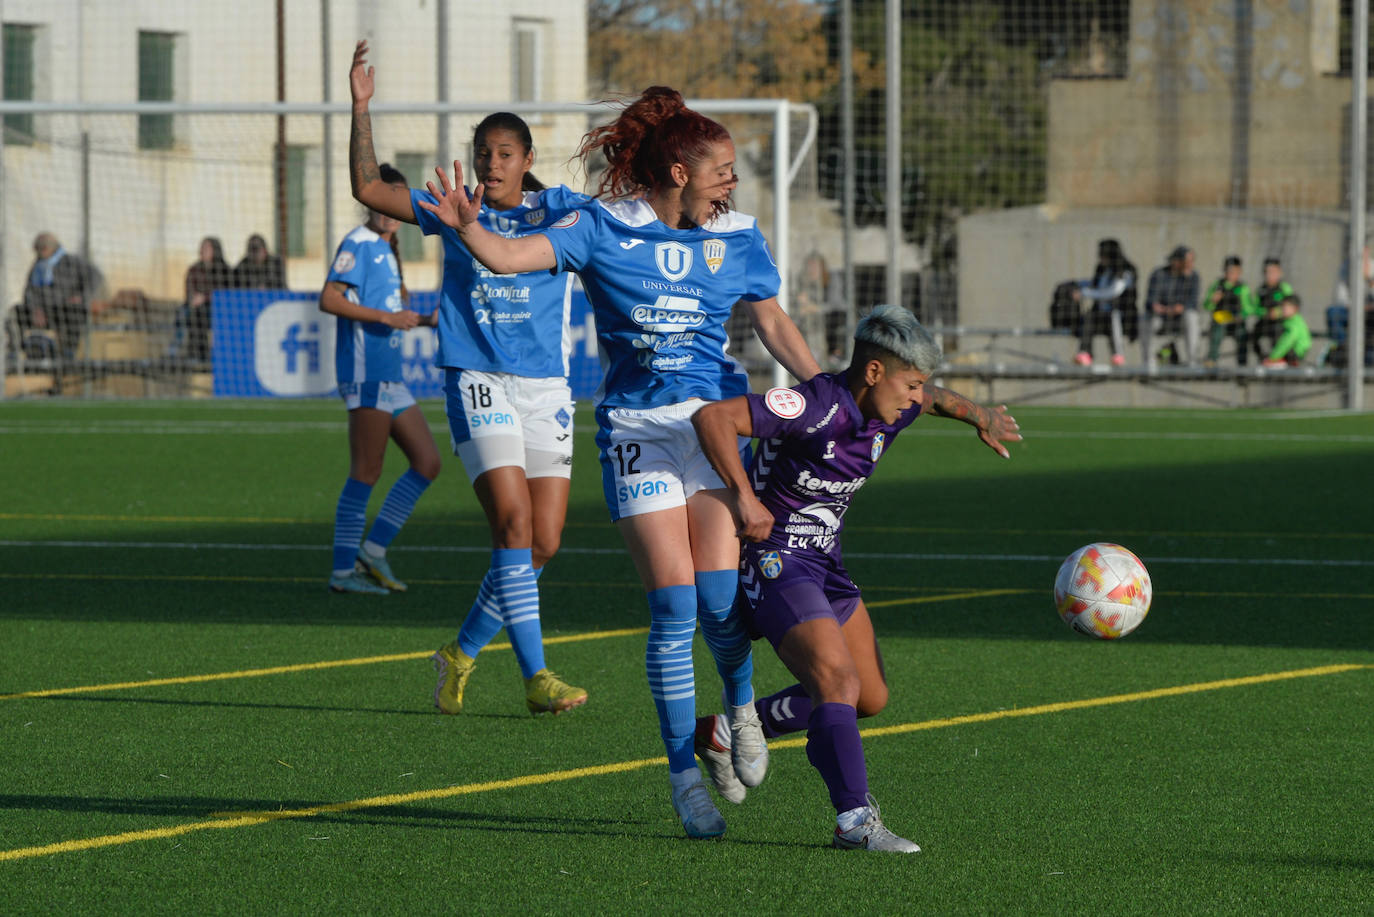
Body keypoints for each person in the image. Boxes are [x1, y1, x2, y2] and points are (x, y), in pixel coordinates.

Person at [417, 84, 824, 838]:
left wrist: (823, 388)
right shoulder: (601, 229)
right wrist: (470, 230)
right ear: (678, 172)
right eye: (722, 169)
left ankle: (739, 710)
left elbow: (771, 316)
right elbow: (508, 257)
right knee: (672, 609)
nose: (732, 181)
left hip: (712, 433)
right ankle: (681, 780)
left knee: (720, 604)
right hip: (637, 432)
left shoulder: (736, 235)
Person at [689, 304, 1020, 852]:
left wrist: (980, 415)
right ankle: (854, 822)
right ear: (873, 373)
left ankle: (726, 733)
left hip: (825, 563)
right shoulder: (813, 404)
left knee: (868, 697)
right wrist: (745, 501)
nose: (917, 397)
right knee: (836, 684)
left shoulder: (895, 407)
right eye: (910, 384)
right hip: (775, 560)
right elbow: (713, 419)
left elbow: (935, 399)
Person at [348, 40, 587, 715]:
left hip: (546, 388)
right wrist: (361, 106)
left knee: (543, 540)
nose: (492, 163)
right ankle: (537, 676)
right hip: (477, 378)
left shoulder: (561, 213)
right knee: (512, 525)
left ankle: (459, 652)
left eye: (505, 154)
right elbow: (368, 187)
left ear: (528, 160)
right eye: (484, 152)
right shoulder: (451, 210)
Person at [320, 162, 442, 595]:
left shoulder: (390, 249)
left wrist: (426, 320)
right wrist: (385, 316)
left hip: (390, 377)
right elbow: (329, 299)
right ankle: (341, 572)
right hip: (365, 373)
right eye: (383, 199)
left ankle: (372, 550)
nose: (390, 210)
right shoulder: (358, 241)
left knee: (427, 464)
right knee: (366, 472)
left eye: (397, 201)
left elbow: (392, 315)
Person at [13, 232, 103, 358]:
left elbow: (96, 277)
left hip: (66, 309)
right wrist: (35, 309)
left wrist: (82, 296)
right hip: (43, 313)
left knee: (75, 312)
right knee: (16, 311)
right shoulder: (37, 267)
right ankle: (14, 351)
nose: (40, 252)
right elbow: (29, 292)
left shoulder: (71, 262)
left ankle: (68, 353)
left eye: (43, 248)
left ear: (52, 248)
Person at [1072, 238, 1137, 367]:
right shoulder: (1102, 270)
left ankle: (1118, 354)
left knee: (1113, 316)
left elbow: (1112, 292)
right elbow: (1096, 284)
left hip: (1121, 315)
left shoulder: (1126, 271)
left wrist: (1085, 293)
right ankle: (1085, 352)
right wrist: (1077, 285)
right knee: (1089, 316)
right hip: (1099, 315)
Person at [1140, 245, 1201, 369]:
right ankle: (1148, 362)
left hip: (1180, 318)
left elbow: (1193, 302)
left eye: (1191, 262)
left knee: (1192, 317)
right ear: (1176, 261)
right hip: (1161, 317)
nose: (1190, 265)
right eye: (1187, 262)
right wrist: (1159, 307)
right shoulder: (1159, 274)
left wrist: (1181, 308)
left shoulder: (1193, 277)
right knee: (1145, 318)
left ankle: (1192, 361)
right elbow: (1150, 300)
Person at [175, 236, 232, 362]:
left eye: (206, 248)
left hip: (216, 308)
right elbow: (189, 288)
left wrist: (205, 298)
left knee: (200, 315)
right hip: (195, 305)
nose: (202, 251)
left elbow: (225, 292)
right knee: (183, 313)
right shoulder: (194, 269)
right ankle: (179, 348)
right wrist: (193, 299)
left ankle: (205, 354)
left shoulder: (224, 270)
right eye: (201, 247)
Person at [1205, 255, 1259, 366]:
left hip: (1236, 320)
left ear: (1239, 272)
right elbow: (1206, 306)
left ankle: (1242, 366)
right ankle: (1212, 359)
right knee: (1216, 331)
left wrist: (1242, 315)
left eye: (1233, 271)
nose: (1230, 274)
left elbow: (1250, 308)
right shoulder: (1217, 285)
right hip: (1221, 319)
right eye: (1228, 271)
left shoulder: (1243, 288)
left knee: (1242, 335)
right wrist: (1213, 301)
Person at [1250, 256, 1296, 363]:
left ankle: (1281, 359)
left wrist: (1278, 312)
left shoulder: (1284, 288)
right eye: (1268, 272)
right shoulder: (1260, 290)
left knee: (1280, 334)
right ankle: (1263, 359)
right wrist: (1265, 313)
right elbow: (1254, 308)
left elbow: (1292, 307)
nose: (1271, 275)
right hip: (1265, 322)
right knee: (1253, 335)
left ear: (1280, 273)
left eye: (1274, 272)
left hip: (1281, 322)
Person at [1260, 294, 1313, 367]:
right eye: (1282, 307)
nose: (1283, 309)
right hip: (1294, 354)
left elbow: (1286, 342)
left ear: (1295, 309)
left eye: (1286, 307)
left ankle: (1282, 361)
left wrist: (1273, 358)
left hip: (1294, 355)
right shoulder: (1292, 320)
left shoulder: (1293, 325)